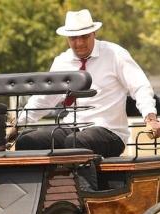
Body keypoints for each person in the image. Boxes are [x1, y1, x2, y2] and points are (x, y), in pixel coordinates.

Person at [14, 9, 160, 157]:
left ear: (94, 34)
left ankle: (83, 181)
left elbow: (140, 86)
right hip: (72, 127)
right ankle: (47, 180)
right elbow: (44, 98)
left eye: (84, 37)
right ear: (67, 38)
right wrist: (17, 124)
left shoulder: (115, 54)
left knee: (75, 143)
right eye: (73, 38)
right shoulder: (61, 62)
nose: (79, 43)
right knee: (26, 141)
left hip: (109, 132)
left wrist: (150, 118)